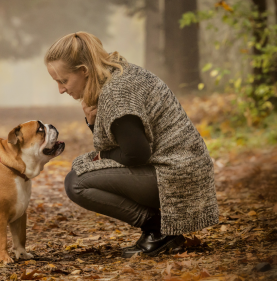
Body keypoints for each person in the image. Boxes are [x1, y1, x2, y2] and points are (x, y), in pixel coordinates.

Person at [44, 31, 219, 257]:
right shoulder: (119, 74)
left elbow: (136, 155)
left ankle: (159, 230)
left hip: (177, 175)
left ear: (84, 71)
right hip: (182, 168)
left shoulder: (117, 92)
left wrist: (101, 158)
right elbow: (124, 142)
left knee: (77, 182)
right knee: (84, 173)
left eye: (63, 80)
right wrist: (94, 125)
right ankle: (162, 229)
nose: (61, 89)